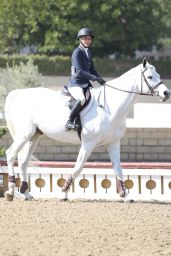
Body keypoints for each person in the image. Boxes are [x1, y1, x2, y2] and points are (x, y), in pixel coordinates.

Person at [65, 27, 106, 131]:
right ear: (80, 40)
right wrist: (94, 78)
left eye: (89, 39)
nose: (87, 41)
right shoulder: (77, 52)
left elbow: (92, 68)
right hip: (76, 83)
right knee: (82, 99)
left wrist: (100, 79)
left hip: (85, 83)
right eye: (85, 39)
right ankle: (69, 121)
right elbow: (79, 71)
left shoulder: (88, 52)